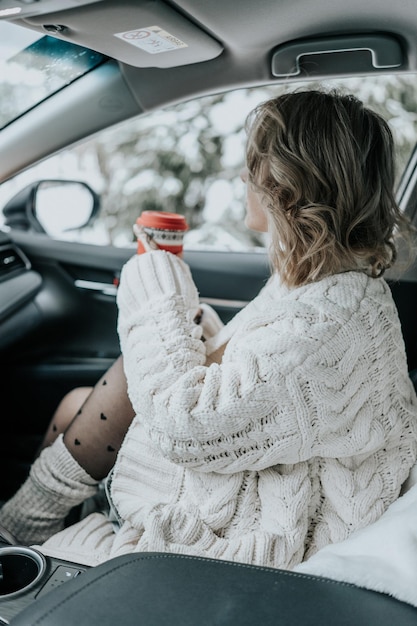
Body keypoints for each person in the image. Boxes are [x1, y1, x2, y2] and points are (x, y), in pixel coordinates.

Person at [0, 88, 416, 570]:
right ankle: (25, 521)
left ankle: (22, 526)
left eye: (255, 162)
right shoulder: (326, 284)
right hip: (276, 466)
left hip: (275, 529)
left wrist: (156, 287)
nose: (243, 175)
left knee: (113, 389)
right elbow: (266, 372)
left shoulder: (329, 320)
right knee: (79, 401)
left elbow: (188, 428)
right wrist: (200, 330)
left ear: (291, 184)